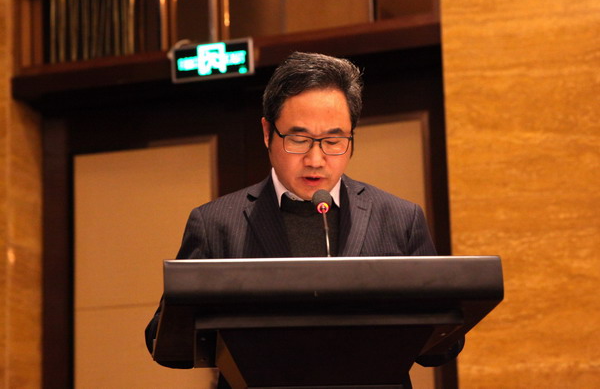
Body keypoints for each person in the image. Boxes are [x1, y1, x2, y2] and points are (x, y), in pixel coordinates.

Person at [145, 52, 462, 388]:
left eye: (333, 141)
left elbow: (441, 346)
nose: (315, 159)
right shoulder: (216, 223)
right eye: (298, 140)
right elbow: (165, 342)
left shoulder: (399, 218)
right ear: (267, 132)